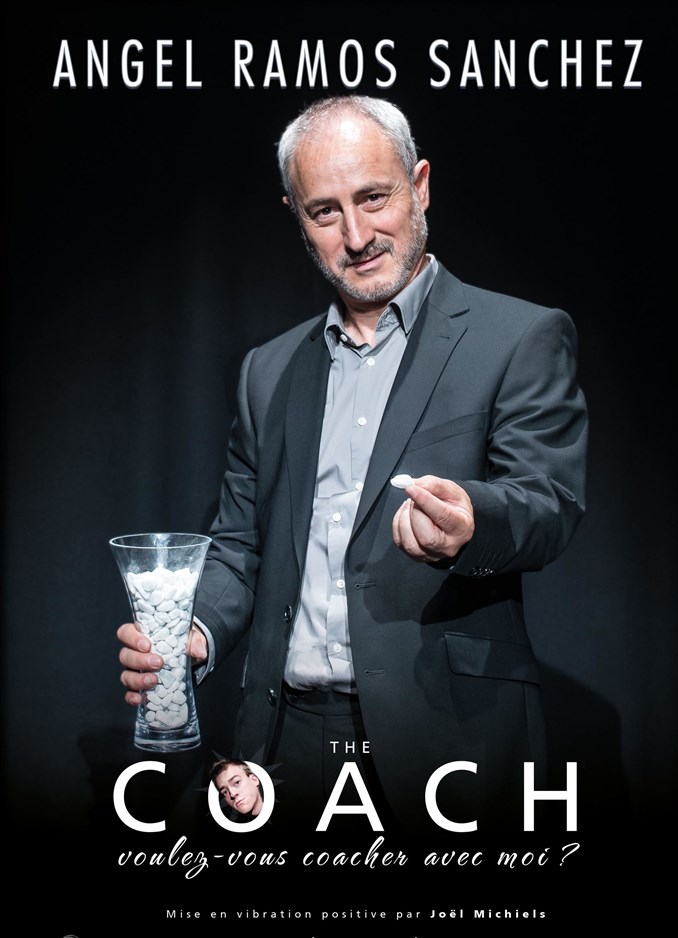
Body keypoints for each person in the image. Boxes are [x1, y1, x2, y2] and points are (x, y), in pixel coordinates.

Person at [118, 94, 587, 837]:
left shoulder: (518, 336)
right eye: (325, 211)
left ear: (420, 184)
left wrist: (472, 521)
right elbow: (240, 546)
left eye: (374, 198)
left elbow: (548, 501)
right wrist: (194, 633)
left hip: (449, 733)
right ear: (296, 216)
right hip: (285, 744)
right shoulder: (268, 370)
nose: (358, 235)